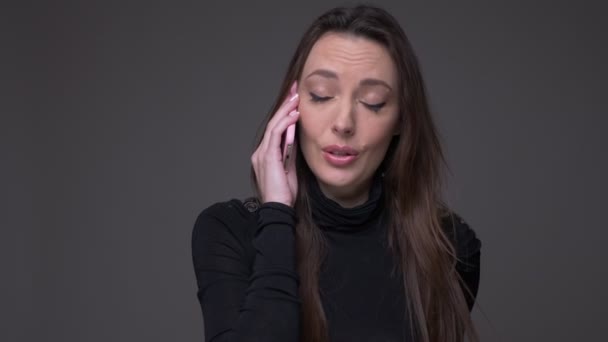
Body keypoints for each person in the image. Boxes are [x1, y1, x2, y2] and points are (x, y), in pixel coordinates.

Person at [191, 4, 481, 342]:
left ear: (402, 118)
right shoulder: (230, 231)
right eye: (321, 95)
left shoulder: (448, 247)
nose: (343, 123)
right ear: (293, 105)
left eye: (373, 102)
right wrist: (277, 214)